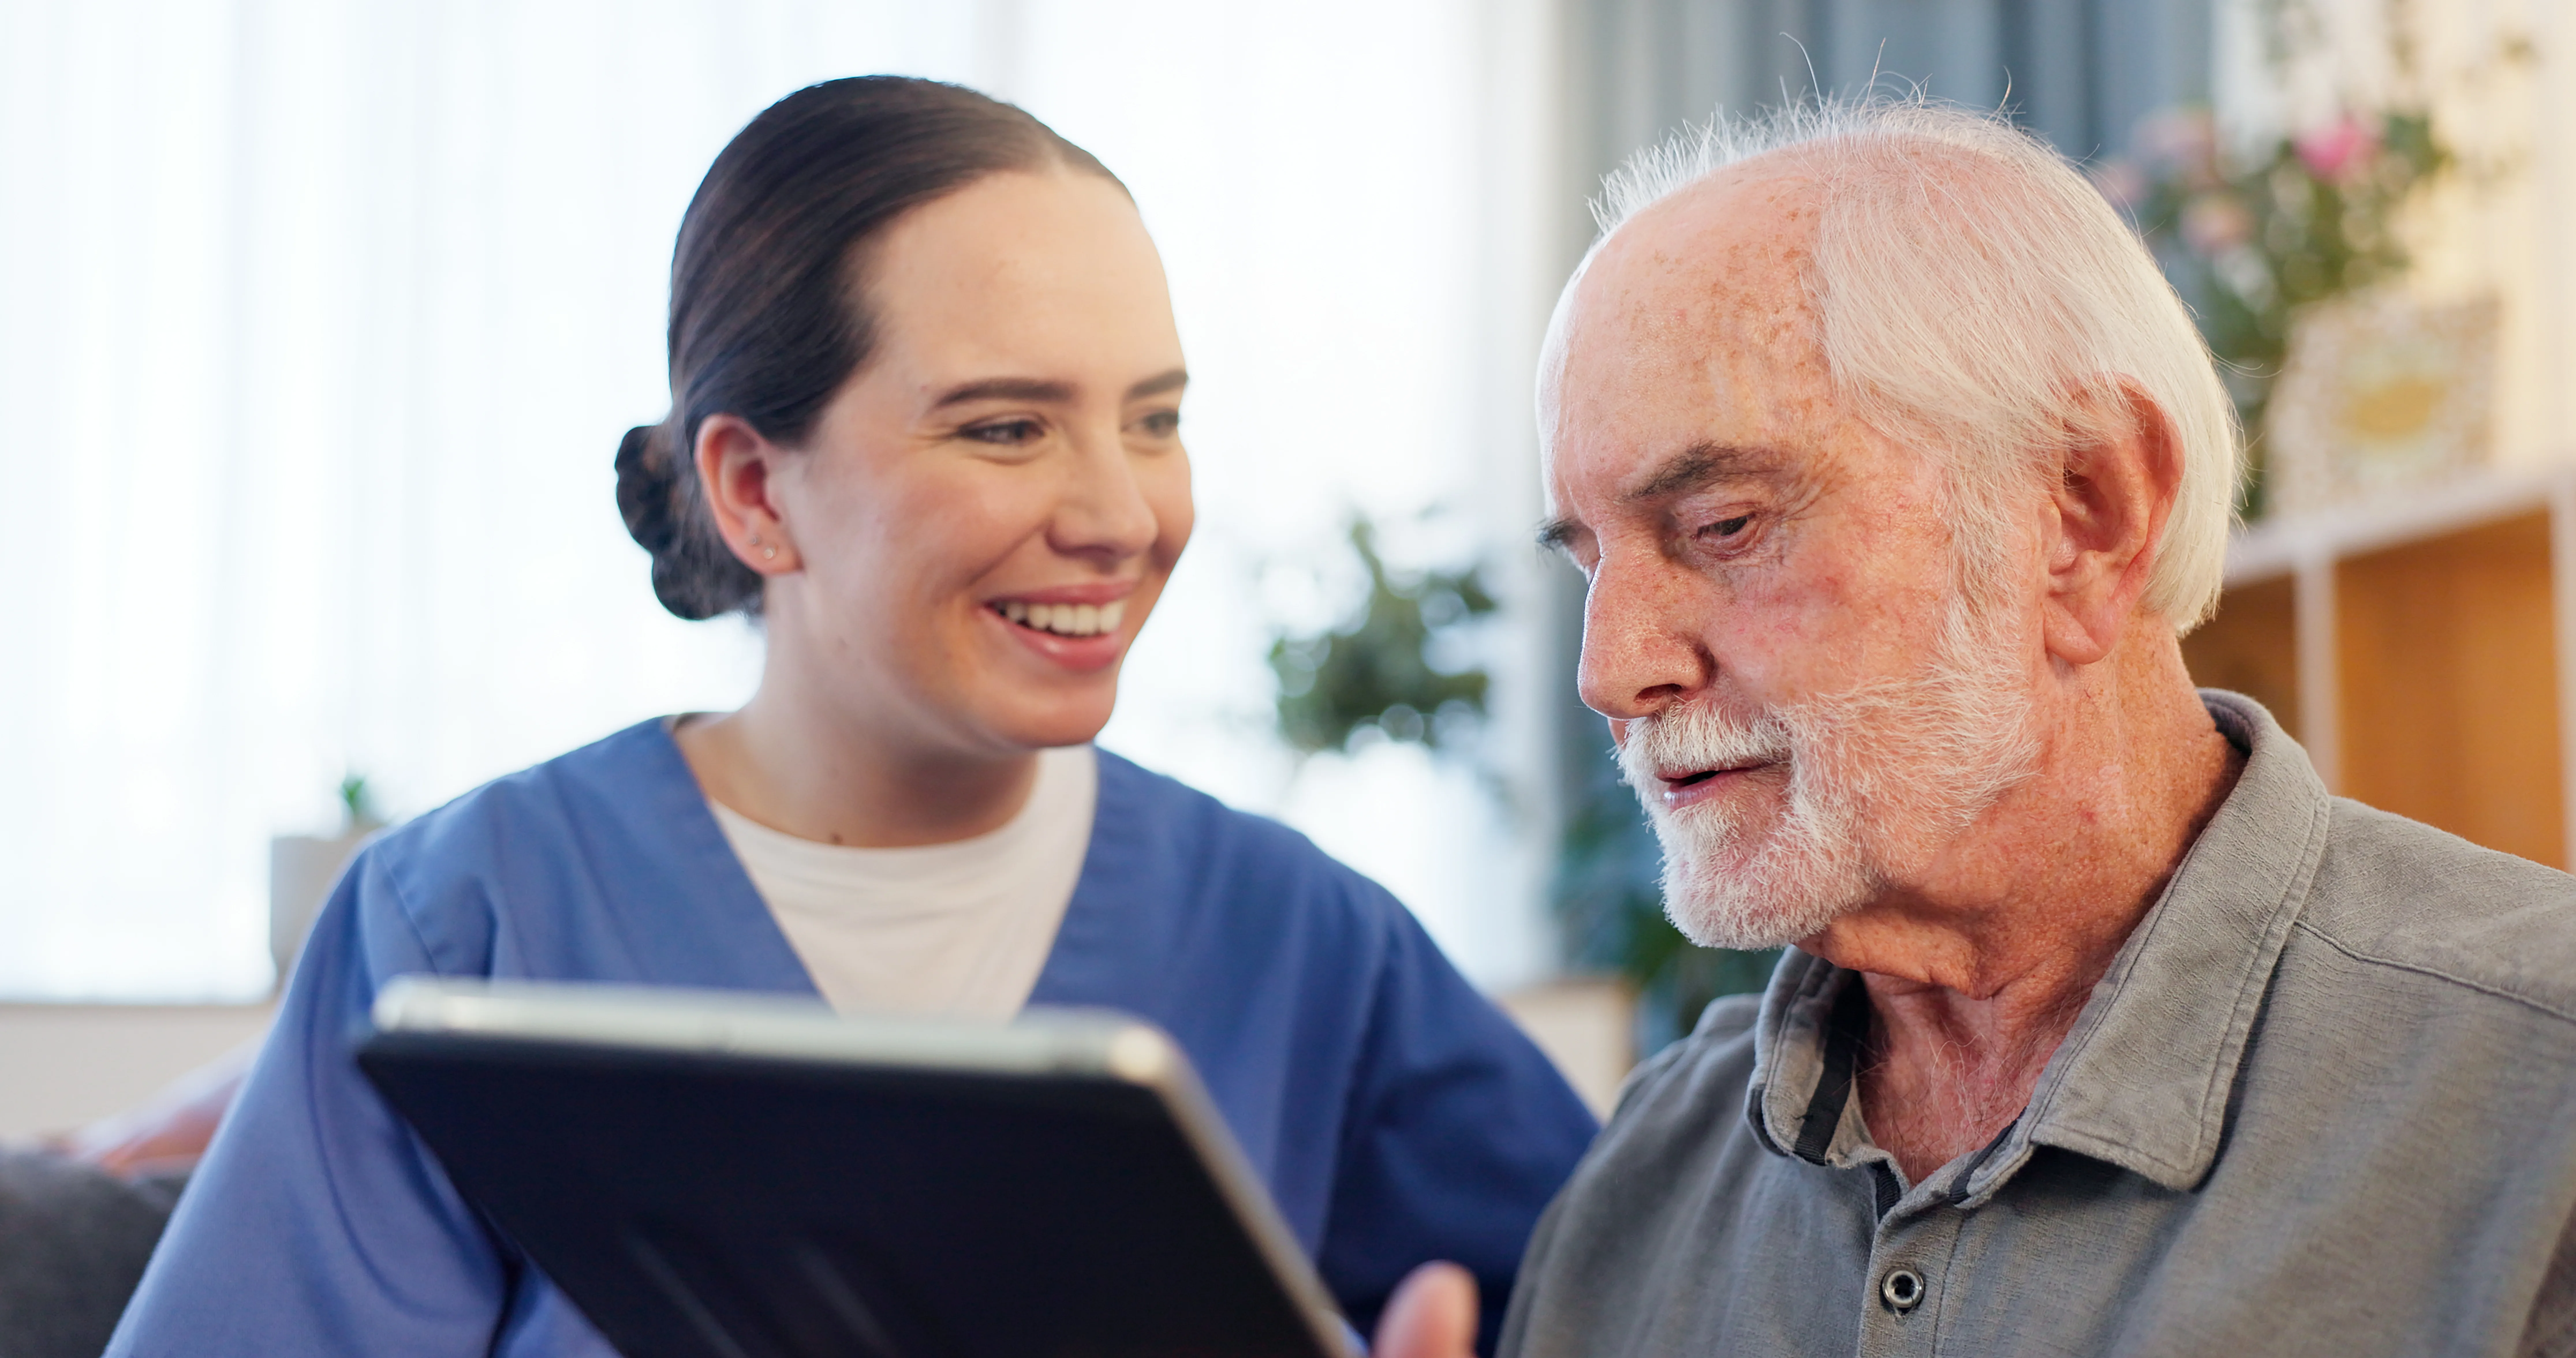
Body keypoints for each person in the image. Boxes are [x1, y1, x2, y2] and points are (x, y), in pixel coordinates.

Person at [107, 76, 1595, 1357]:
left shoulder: (1296, 940)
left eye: (1154, 417)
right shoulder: (465, 920)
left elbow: (1638, 1280)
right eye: (1005, 426)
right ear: (756, 490)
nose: (1121, 512)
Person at [1377, 96, 2576, 1358]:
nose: (1610, 670)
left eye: (1723, 527)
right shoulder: (1643, 1182)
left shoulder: (2533, 1096)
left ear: (2083, 514)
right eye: (1587, 565)